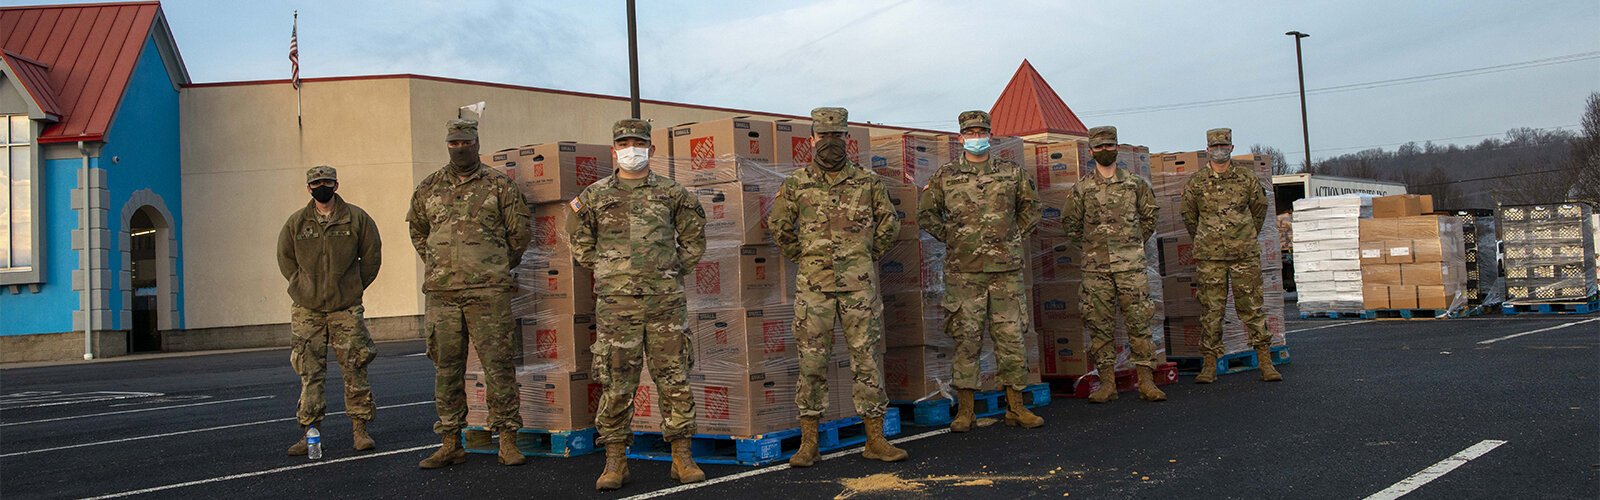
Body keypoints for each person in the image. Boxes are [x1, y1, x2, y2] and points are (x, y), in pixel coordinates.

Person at [566, 118, 708, 490]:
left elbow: (694, 237)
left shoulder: (672, 193)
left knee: (674, 377)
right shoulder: (595, 196)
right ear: (614, 150)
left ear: (651, 149)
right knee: (615, 381)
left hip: (664, 304)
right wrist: (603, 267)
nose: (632, 149)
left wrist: (674, 269)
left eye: (638, 142)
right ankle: (615, 461)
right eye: (624, 143)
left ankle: (682, 456)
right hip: (616, 306)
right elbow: (578, 240)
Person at [768, 107, 908, 466]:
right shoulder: (797, 183)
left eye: (837, 136)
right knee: (812, 363)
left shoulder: (868, 182)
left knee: (866, 361)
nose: (830, 143)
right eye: (823, 136)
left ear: (847, 139)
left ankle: (875, 439)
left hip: (859, 288)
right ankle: (809, 443)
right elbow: (779, 226)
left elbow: (889, 224)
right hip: (814, 289)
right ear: (811, 139)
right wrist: (806, 257)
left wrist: (865, 254)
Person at [408, 119, 532, 468]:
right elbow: (419, 231)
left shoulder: (499, 186)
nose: (459, 148)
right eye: (453, 143)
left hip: (488, 291)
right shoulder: (428, 187)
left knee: (499, 365)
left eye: (465, 142)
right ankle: (451, 441)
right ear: (447, 144)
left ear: (476, 143)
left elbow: (519, 234)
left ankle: (507, 438)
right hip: (442, 293)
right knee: (446, 368)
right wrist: (438, 264)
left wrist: (493, 266)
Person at [917, 110, 1044, 431]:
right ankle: (966, 410)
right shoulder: (946, 176)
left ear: (990, 134)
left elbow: (1031, 208)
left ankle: (1016, 406)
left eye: (981, 131)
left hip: (1006, 273)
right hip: (964, 274)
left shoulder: (1011, 173)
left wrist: (1013, 236)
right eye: (970, 132)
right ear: (961, 137)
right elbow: (926, 214)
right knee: (967, 340)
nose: (976, 136)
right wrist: (953, 237)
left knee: (1012, 338)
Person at [277, 165, 382, 456]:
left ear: (336, 184)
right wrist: (301, 285)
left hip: (345, 308)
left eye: (326, 182)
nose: (321, 186)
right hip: (307, 310)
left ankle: (360, 430)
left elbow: (372, 257)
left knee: (355, 367)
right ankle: (309, 431)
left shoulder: (357, 219)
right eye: (316, 183)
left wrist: (353, 287)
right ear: (308, 188)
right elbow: (286, 259)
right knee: (309, 371)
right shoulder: (297, 223)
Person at [1061, 126, 1166, 403]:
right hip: (1096, 270)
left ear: (1117, 148)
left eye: (1109, 146)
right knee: (1099, 326)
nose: (1105, 151)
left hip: (1131, 267)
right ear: (1091, 151)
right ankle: (1107, 384)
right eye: (1099, 147)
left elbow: (1149, 219)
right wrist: (1092, 249)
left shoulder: (1135, 184)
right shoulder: (1082, 188)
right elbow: (1070, 224)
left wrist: (1130, 245)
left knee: (1140, 322)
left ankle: (1146, 381)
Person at [1180, 128, 1282, 383]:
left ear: (1232, 147)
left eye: (1223, 145)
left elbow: (1259, 209)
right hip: (1210, 258)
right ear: (1207, 150)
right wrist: (1205, 239)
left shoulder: (1246, 179)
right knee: (1211, 310)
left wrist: (1245, 235)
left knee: (1252, 309)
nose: (1219, 150)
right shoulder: (1197, 182)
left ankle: (1265, 362)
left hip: (1243, 256)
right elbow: (1189, 216)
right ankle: (1210, 365)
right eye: (1214, 147)